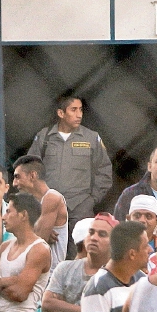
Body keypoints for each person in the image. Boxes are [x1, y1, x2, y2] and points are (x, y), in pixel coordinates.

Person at [25, 94, 114, 222]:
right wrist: (38, 199)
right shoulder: (44, 137)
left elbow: (104, 171)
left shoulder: (91, 138)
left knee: (79, 242)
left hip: (79, 208)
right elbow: (29, 171)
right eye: (73, 110)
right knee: (47, 241)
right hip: (48, 206)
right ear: (61, 113)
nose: (79, 115)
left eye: (81, 109)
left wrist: (92, 200)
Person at [12, 155, 70, 268]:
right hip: (28, 270)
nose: (14, 183)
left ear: (33, 175)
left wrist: (24, 229)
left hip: (49, 275)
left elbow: (36, 241)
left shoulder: (52, 198)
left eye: (17, 177)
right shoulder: (30, 203)